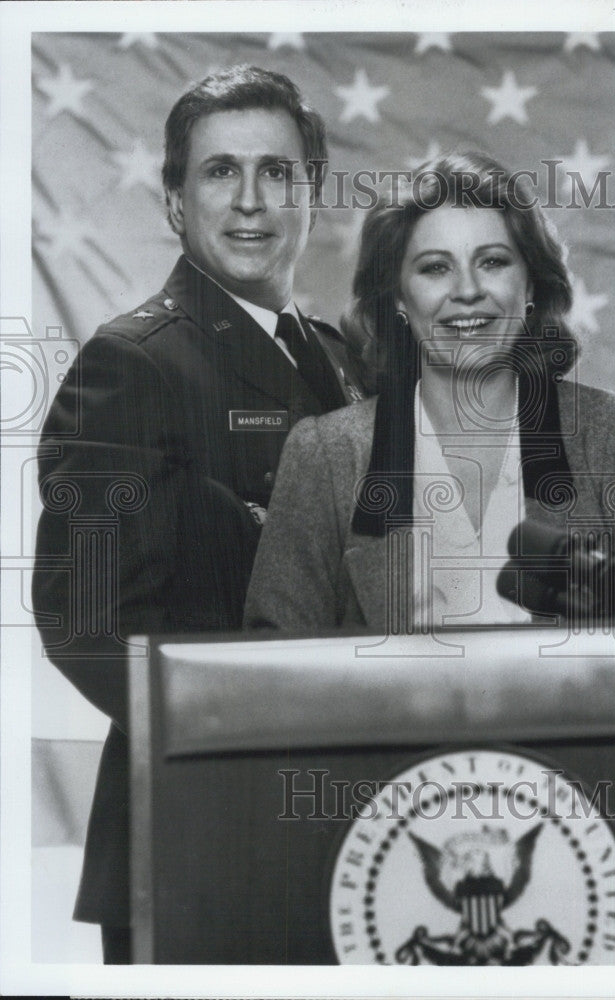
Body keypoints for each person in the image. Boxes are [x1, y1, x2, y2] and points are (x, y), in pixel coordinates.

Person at [32, 65, 365, 962]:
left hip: (350, 829)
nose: (250, 201)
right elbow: (90, 623)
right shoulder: (131, 366)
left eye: (276, 172)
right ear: (175, 201)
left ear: (314, 193)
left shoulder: (344, 362)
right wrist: (257, 751)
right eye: (220, 172)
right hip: (197, 833)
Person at [243, 151, 615, 634]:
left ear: (530, 287)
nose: (468, 290)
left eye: (493, 261)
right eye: (436, 267)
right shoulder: (328, 455)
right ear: (397, 296)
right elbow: (269, 672)